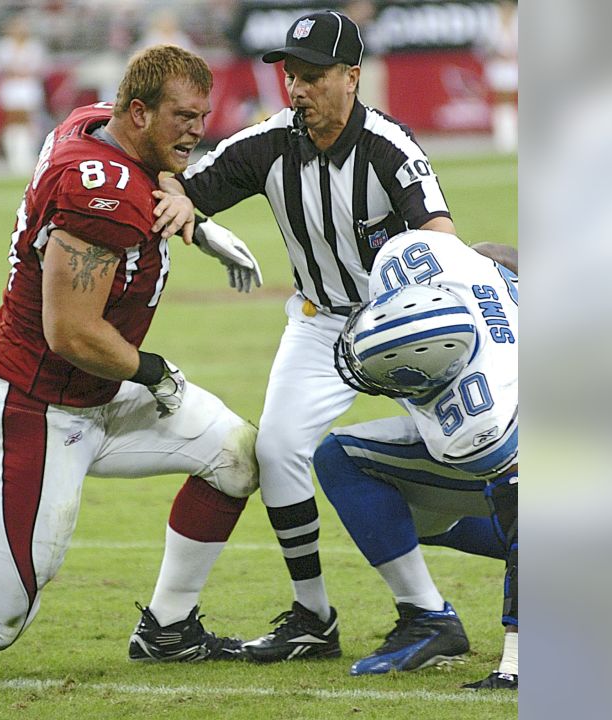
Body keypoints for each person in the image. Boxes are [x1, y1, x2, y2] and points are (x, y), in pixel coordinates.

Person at [155, 10, 500, 662]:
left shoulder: (390, 148)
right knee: (280, 447)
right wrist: (183, 205)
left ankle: (530, 554)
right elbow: (185, 182)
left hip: (403, 324)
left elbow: (441, 237)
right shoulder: (268, 142)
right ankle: (317, 615)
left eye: (313, 76)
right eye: (291, 74)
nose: (298, 89)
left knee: (463, 457)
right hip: (320, 322)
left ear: (352, 76)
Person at [0, 44, 265, 662]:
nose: (196, 130)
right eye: (182, 115)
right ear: (138, 112)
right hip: (38, 412)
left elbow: (153, 164)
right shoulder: (96, 193)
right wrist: (156, 372)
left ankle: (168, 630)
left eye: (201, 115)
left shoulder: (94, 123)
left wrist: (198, 222)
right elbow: (72, 333)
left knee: (235, 456)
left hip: (96, 392)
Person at [320, 228, 517, 688]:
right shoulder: (421, 262)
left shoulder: (479, 417)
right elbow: (490, 253)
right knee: (408, 508)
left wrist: (515, 662)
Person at [0, 15, 49, 176]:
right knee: (12, 122)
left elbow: (43, 67)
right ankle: (15, 158)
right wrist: (8, 71)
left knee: (29, 122)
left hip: (28, 87)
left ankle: (28, 156)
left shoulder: (34, 46)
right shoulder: (3, 46)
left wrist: (27, 71)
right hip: (11, 87)